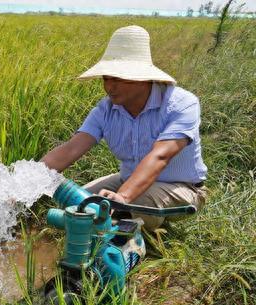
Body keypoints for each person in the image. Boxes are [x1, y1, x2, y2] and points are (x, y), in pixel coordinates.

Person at [41, 25, 207, 231]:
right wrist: (29, 178)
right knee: (78, 205)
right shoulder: (106, 110)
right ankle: (109, 225)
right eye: (106, 78)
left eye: (118, 79)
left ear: (143, 78)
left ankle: (125, 237)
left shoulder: (181, 103)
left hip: (181, 188)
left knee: (138, 203)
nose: (109, 86)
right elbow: (71, 149)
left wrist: (122, 196)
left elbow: (160, 156)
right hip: (127, 180)